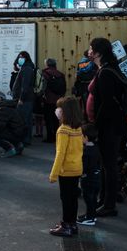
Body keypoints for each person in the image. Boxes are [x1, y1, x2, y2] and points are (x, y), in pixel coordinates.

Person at [85, 37, 127, 219]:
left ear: (97, 53)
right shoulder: (108, 70)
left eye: (90, 49)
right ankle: (104, 200)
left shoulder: (106, 73)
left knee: (109, 166)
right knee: (106, 165)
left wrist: (95, 126)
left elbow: (106, 104)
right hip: (111, 126)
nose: (88, 52)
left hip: (108, 128)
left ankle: (109, 205)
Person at [48, 96, 85, 237]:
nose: (57, 111)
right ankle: (71, 224)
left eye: (60, 108)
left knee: (66, 198)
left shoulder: (63, 130)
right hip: (77, 168)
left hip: (66, 170)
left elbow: (60, 154)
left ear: (65, 112)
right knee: (73, 198)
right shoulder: (78, 128)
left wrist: (53, 174)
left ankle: (66, 225)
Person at [77, 122, 101, 226]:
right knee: (94, 197)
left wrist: (81, 173)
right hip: (96, 177)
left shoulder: (86, 151)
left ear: (86, 137)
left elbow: (84, 167)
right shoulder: (96, 147)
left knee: (88, 197)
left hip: (88, 178)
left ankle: (90, 218)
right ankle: (92, 215)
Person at [9, 50, 36, 146]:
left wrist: (21, 98)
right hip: (25, 98)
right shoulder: (25, 68)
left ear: (26, 58)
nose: (20, 59)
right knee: (25, 119)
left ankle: (25, 139)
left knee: (24, 120)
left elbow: (25, 86)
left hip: (25, 99)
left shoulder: (27, 69)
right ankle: (25, 138)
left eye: (22, 57)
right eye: (19, 57)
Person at [0, 91, 25, 157]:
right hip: (19, 132)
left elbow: (0, 125)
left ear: (0, 98)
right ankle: (18, 145)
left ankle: (9, 148)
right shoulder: (8, 105)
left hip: (16, 133)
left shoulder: (4, 108)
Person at [40, 57, 67, 143]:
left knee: (48, 119)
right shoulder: (61, 74)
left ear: (47, 64)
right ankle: (57, 137)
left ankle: (50, 137)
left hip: (48, 99)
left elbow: (42, 87)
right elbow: (64, 88)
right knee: (57, 119)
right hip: (58, 100)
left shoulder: (45, 74)